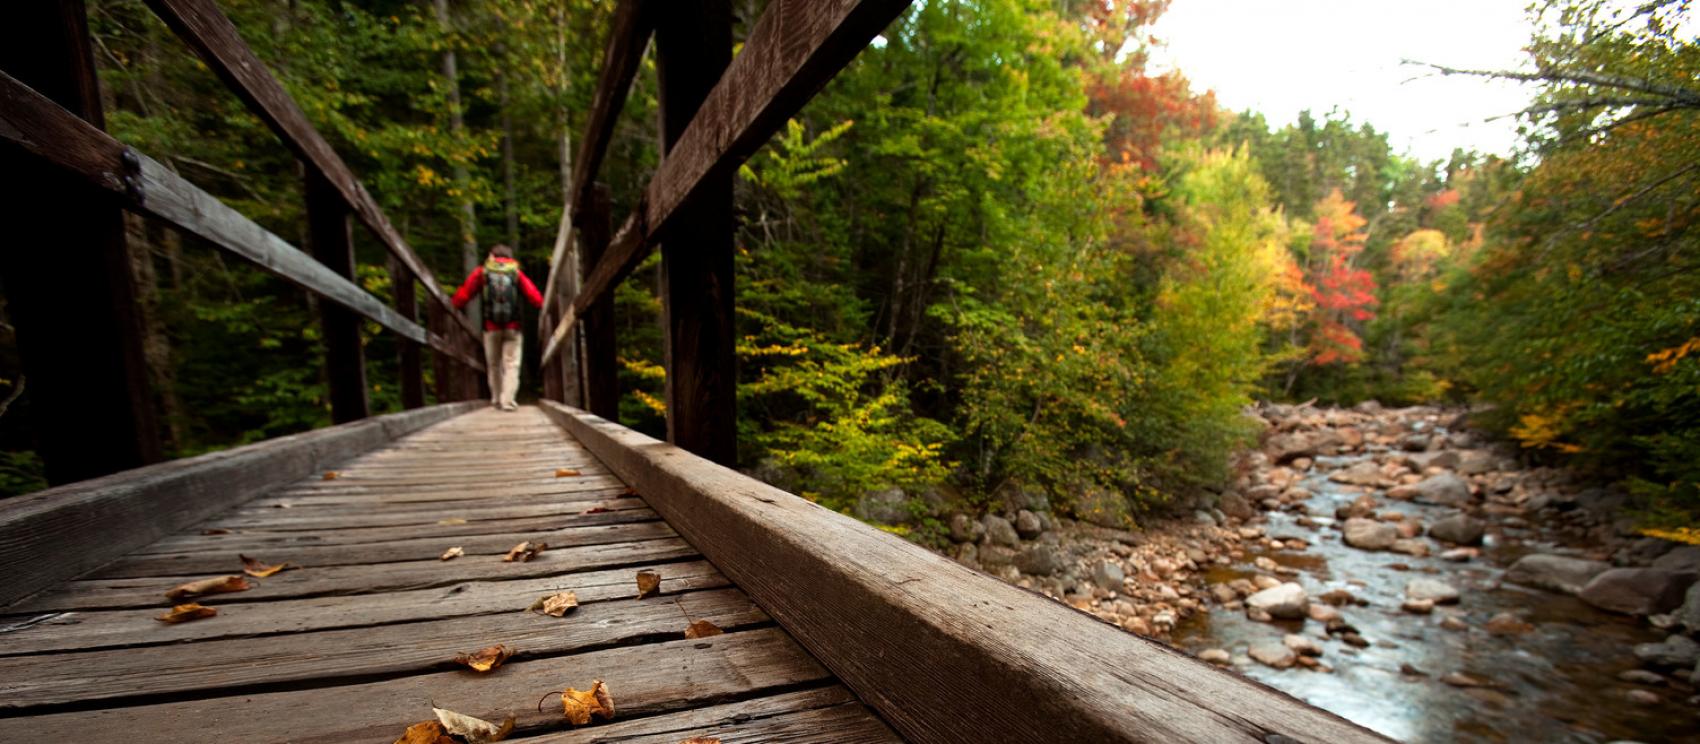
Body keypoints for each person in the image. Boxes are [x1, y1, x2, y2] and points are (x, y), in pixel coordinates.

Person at [451, 244, 543, 410]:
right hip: (513, 327)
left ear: (491, 256)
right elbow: (536, 298)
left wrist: (452, 306)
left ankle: (495, 398)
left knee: (493, 364)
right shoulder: (515, 272)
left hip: (491, 327)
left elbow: (464, 294)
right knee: (511, 364)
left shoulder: (483, 272)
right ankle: (507, 400)